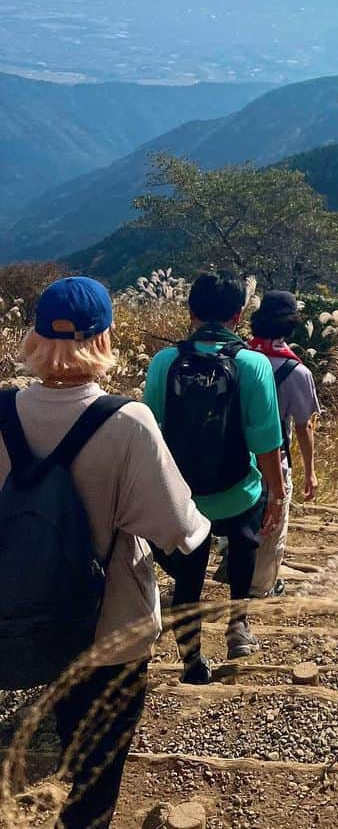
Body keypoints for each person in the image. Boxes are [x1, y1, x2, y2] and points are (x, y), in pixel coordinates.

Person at [0, 277, 209, 829]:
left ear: (35, 338)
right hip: (110, 627)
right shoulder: (126, 422)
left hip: (19, 614)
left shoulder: (0, 412)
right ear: (105, 337)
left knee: (69, 727)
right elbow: (182, 532)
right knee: (97, 771)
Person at [144, 271, 285, 678]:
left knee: (189, 571)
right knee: (244, 543)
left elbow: (149, 434)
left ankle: (191, 660)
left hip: (182, 495)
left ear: (190, 311)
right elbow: (266, 442)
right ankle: (238, 626)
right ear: (238, 315)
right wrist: (275, 495)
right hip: (238, 490)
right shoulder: (253, 365)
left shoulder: (165, 362)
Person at [247, 290, 320, 597]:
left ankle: (235, 565)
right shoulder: (297, 371)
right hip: (275, 461)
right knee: (272, 525)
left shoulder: (240, 358)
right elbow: (304, 427)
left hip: (234, 457)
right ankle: (262, 585)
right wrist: (310, 471)